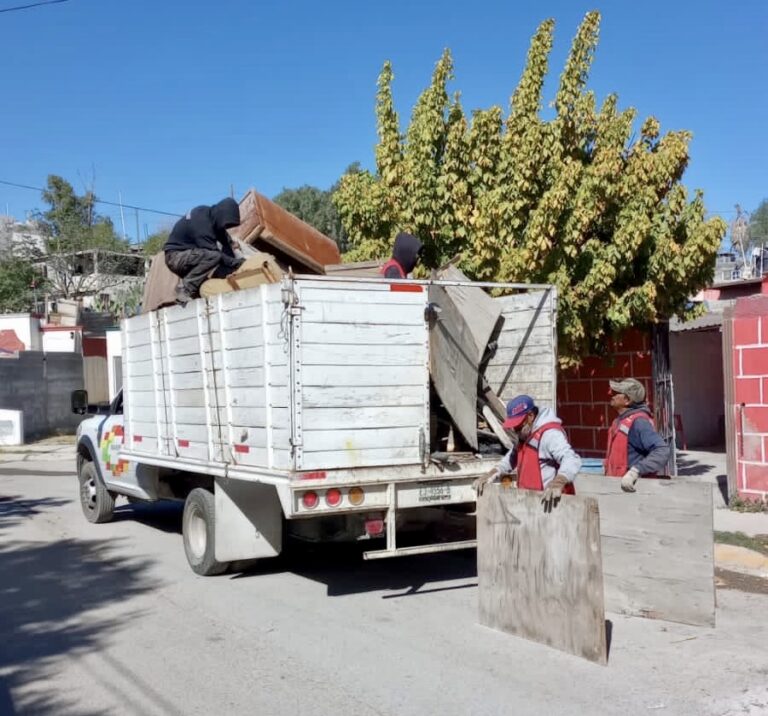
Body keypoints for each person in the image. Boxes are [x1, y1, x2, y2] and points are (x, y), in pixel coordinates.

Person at [473, 394, 582, 510]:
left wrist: (558, 483)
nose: (515, 430)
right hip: (530, 502)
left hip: (551, 503)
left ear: (531, 415)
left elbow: (571, 459)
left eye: (518, 426)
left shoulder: (550, 434)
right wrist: (493, 473)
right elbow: (512, 457)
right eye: (514, 427)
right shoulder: (525, 434)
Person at [164, 198, 245, 304]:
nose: (225, 227)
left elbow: (225, 240)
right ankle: (184, 289)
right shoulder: (201, 222)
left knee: (205, 287)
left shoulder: (211, 216)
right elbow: (215, 254)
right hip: (176, 257)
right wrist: (237, 263)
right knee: (214, 256)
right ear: (222, 214)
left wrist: (233, 252)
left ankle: (191, 297)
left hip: (191, 257)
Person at [605, 378, 670, 493]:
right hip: (616, 490)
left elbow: (662, 451)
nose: (611, 395)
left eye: (616, 393)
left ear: (627, 400)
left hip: (633, 493)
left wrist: (635, 471)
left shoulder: (639, 422)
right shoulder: (621, 420)